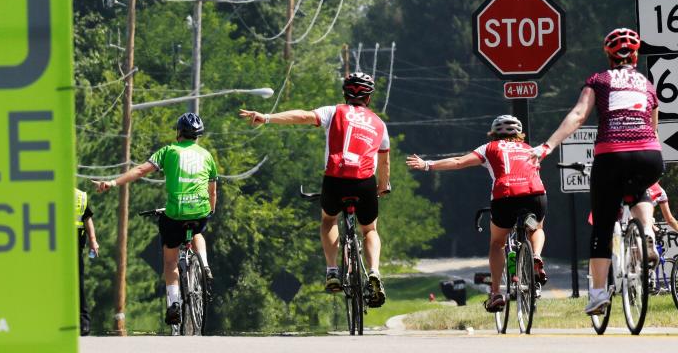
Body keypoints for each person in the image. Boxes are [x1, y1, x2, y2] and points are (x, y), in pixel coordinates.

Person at [533, 27, 664, 316]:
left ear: (608, 55)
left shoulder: (599, 80)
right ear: (636, 54)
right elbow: (653, 128)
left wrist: (548, 145)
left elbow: (579, 115)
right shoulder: (647, 84)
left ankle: (598, 295)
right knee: (640, 188)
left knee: (603, 227)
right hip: (650, 155)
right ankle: (647, 237)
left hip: (612, 155)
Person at [239, 71, 390, 307]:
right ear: (369, 98)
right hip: (364, 182)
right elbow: (384, 163)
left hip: (335, 178)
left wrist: (267, 117)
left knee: (329, 220)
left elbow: (301, 116)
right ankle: (374, 272)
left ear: (345, 93)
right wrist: (382, 186)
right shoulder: (379, 124)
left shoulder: (334, 111)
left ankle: (332, 271)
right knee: (369, 229)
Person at [406, 114, 548, 312]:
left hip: (505, 196)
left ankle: (496, 293)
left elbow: (458, 162)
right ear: (520, 134)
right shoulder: (530, 149)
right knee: (537, 227)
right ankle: (537, 257)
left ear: (493, 133)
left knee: (497, 243)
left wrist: (427, 164)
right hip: (535, 195)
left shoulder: (489, 148)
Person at [95, 112, 217, 326]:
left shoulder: (168, 151)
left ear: (179, 132)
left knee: (170, 260)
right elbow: (213, 191)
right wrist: (210, 211)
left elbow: (141, 170)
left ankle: (173, 304)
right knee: (198, 231)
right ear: (198, 135)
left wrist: (113, 183)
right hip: (200, 211)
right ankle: (205, 265)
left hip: (175, 213)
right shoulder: (207, 156)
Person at [75, 188, 99, 336]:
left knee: (78, 284)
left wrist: (93, 241)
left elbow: (87, 218)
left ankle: (84, 323)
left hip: (74, 246)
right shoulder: (47, 192)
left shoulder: (79, 196)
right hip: (53, 247)